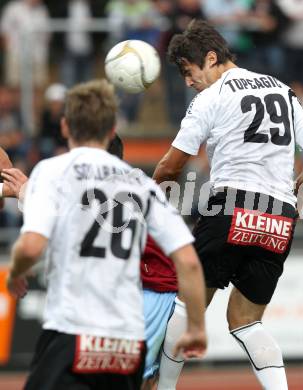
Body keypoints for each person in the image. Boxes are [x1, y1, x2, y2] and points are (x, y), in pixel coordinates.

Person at [153, 20, 303, 390]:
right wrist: (298, 194)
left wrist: (148, 197)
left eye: (188, 71)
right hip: (279, 216)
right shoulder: (282, 89)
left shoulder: (210, 98)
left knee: (186, 307)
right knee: (247, 322)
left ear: (211, 58)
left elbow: (172, 165)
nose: (187, 81)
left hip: (230, 207)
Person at [5, 79, 207, 390]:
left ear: (64, 127)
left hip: (75, 330)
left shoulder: (54, 170)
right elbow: (190, 263)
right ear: (112, 129)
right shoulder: (141, 185)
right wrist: (195, 326)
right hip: (126, 340)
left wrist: (16, 273)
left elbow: (33, 245)